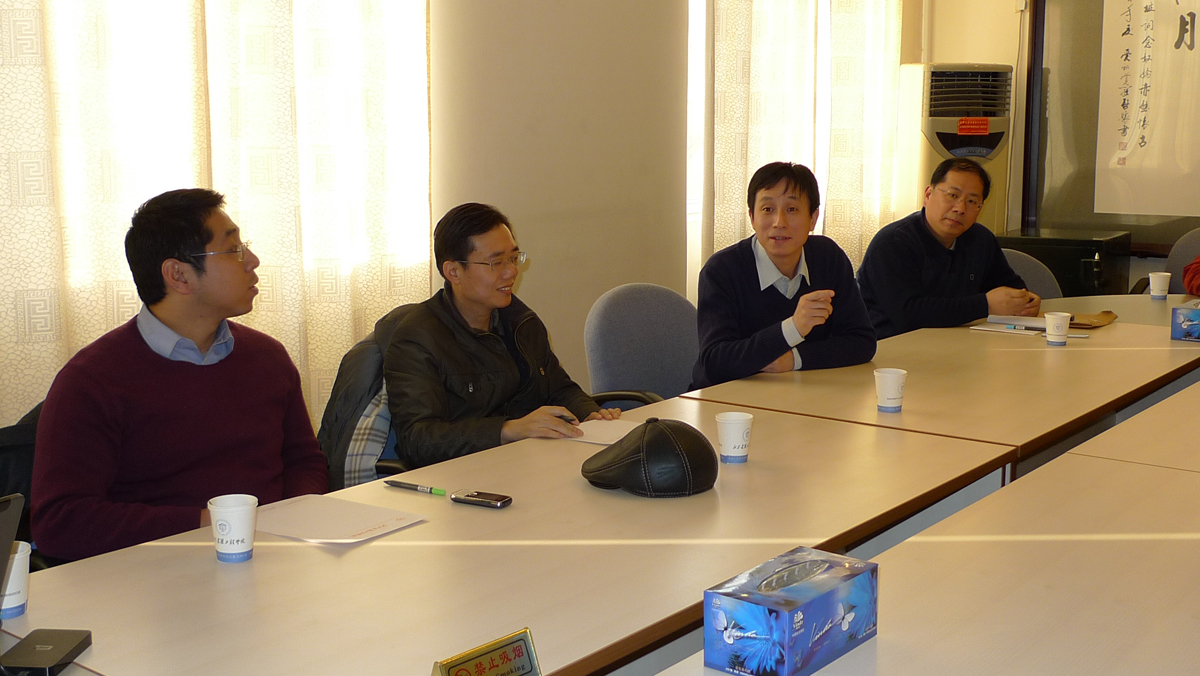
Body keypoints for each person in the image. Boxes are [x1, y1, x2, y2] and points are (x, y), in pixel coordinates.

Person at [31, 189, 328, 561]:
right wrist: (218, 524)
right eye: (233, 249)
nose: (252, 261)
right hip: (151, 576)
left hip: (273, 560)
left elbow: (304, 461)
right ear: (179, 275)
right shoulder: (92, 381)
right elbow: (60, 522)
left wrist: (294, 517)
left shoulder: (267, 357)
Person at [383, 203, 619, 470]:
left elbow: (559, 389)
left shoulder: (521, 321)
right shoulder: (417, 339)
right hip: (461, 477)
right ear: (453, 272)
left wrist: (591, 415)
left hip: (528, 464)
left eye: (514, 258)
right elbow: (418, 440)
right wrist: (507, 430)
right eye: (496, 263)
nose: (511, 271)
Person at [691, 162, 877, 390]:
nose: (779, 222)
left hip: (800, 394)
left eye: (792, 209)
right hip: (726, 401)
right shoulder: (721, 271)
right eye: (767, 209)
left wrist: (794, 359)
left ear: (813, 219)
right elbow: (716, 362)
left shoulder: (828, 258)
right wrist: (792, 328)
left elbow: (862, 341)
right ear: (752, 217)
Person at [856, 158, 1040, 339]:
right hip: (893, 347)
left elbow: (1009, 285)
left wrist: (1026, 302)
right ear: (928, 195)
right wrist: (985, 306)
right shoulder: (893, 242)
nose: (960, 208)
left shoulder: (980, 239)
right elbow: (908, 314)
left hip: (958, 343)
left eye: (972, 201)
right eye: (953, 195)